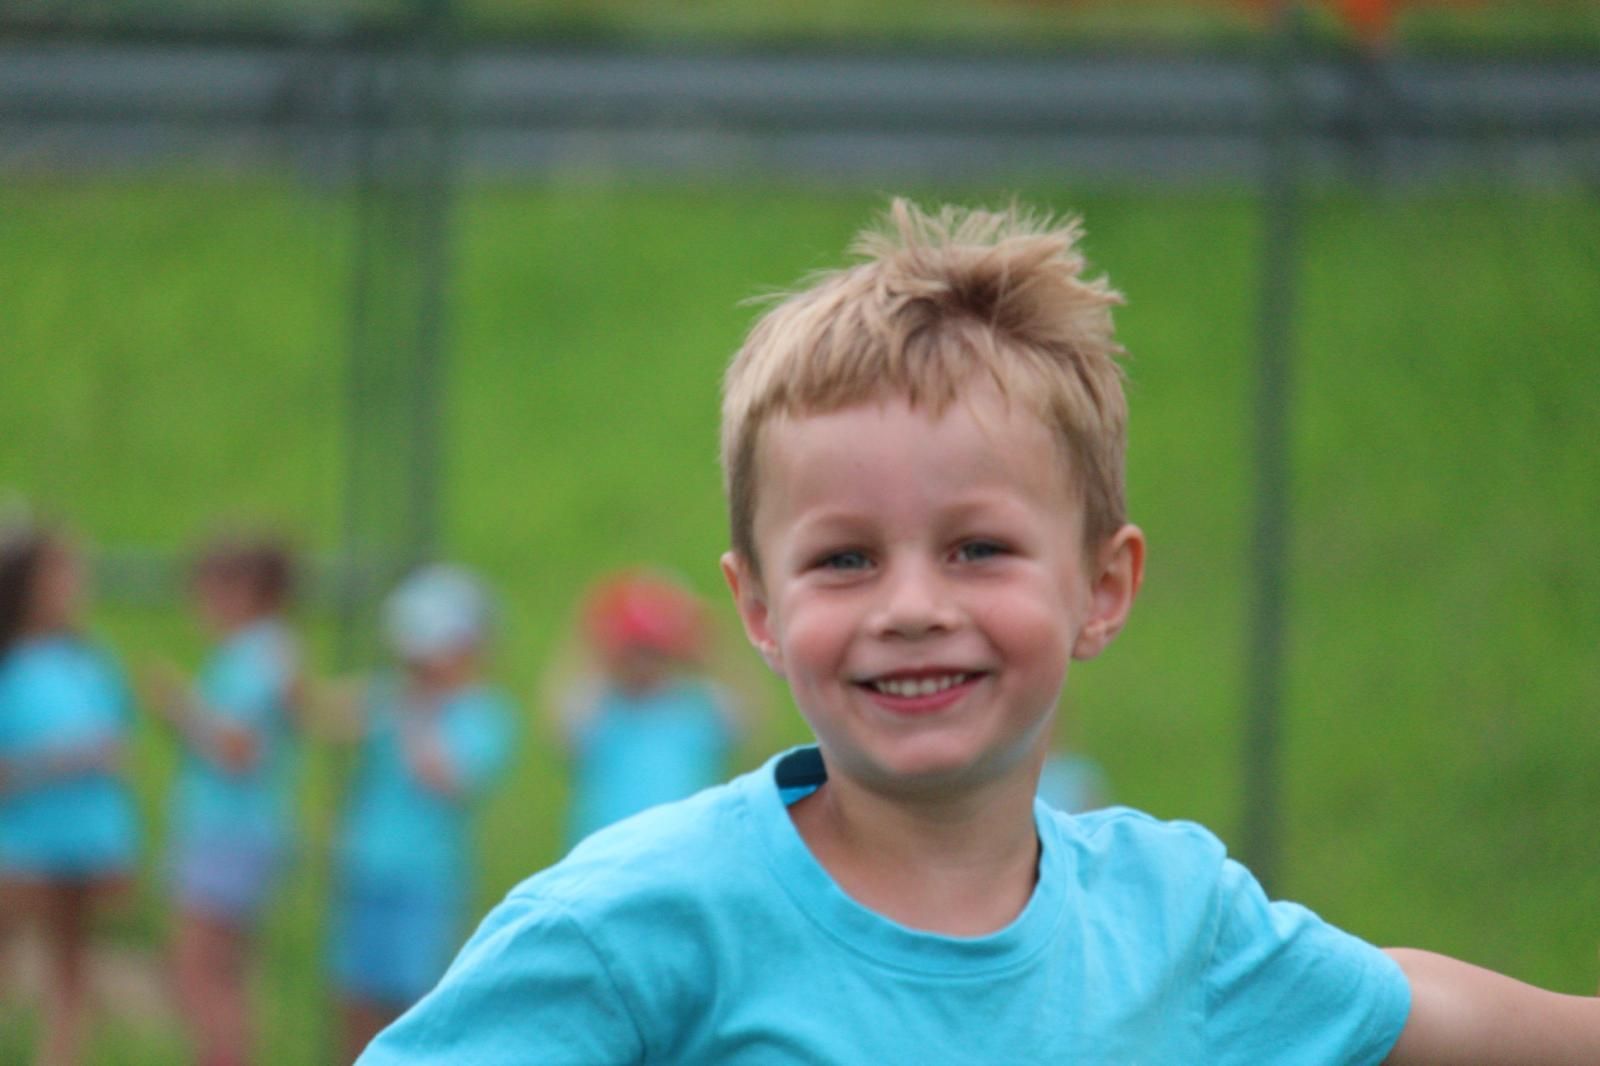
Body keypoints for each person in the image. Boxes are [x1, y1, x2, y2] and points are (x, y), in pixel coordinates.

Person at [357, 200, 1600, 1062]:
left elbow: (1425, 1011)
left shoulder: (1177, 922)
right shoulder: (631, 923)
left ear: (1102, 587)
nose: (911, 605)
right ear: (759, 609)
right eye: (844, 558)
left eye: (977, 548)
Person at [327, 565, 515, 1063]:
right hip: (367, 867)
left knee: (415, 1005)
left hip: (426, 879)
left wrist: (411, 713)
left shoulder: (483, 714)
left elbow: (442, 778)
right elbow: (324, 716)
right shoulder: (390, 697)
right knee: (355, 999)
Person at [148, 534, 302, 1066]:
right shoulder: (266, 651)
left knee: (198, 968)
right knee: (224, 971)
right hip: (235, 831)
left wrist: (180, 706)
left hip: (228, 833)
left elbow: (240, 749)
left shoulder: (257, 655)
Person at [0, 524, 139, 1066]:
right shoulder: (11, 664)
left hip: (80, 846)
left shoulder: (90, 661)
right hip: (21, 848)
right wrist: (52, 763)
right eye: (59, 574)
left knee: (71, 974)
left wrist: (117, 847)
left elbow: (115, 752)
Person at [550, 569, 741, 847]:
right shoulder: (603, 709)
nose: (643, 664)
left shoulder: (696, 706)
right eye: (633, 652)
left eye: (653, 652)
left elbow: (744, 723)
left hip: (683, 848)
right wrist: (591, 644)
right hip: (606, 849)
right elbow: (565, 730)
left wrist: (713, 646)